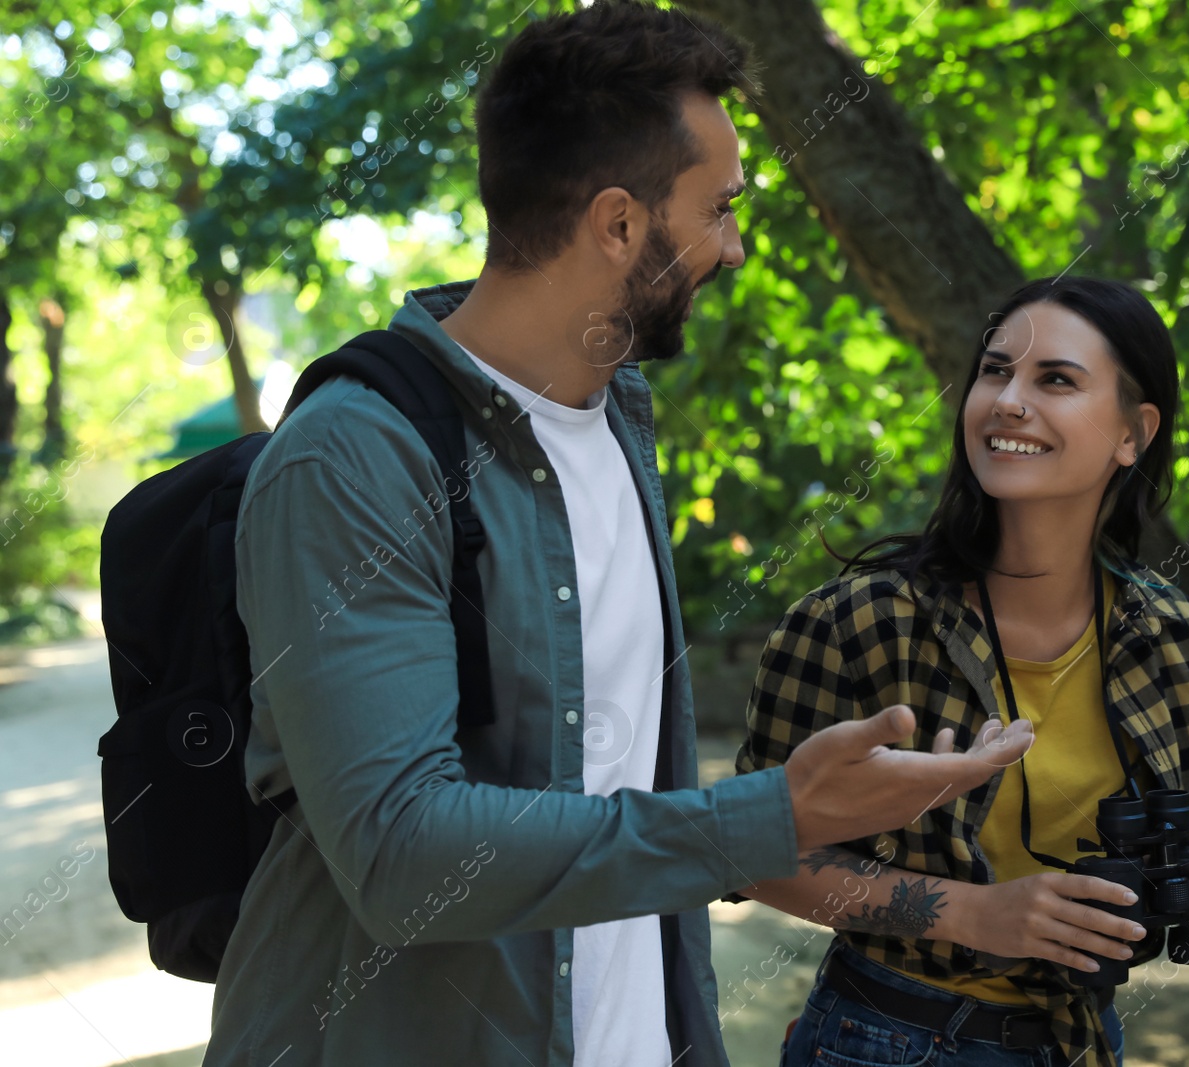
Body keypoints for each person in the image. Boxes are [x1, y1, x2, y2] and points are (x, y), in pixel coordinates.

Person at [204, 4, 1031, 1066]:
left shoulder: (620, 417)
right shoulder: (356, 456)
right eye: (719, 208)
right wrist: (767, 812)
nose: (734, 245)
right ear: (617, 224)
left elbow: (623, 777)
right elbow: (400, 854)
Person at [727, 276, 1189, 1066]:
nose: (1008, 400)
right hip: (886, 1039)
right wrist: (970, 913)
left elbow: (1139, 832)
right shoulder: (856, 623)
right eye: (995, 371)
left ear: (1132, 433)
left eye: (1056, 380)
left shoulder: (1171, 633)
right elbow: (748, 854)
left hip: (1082, 1040)